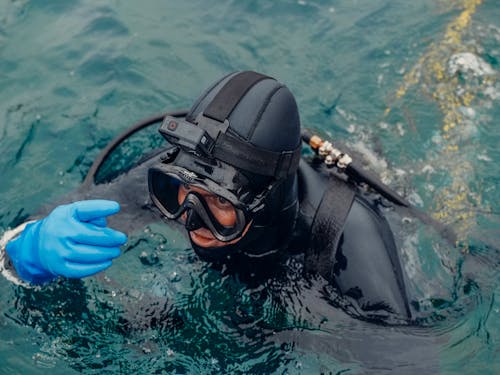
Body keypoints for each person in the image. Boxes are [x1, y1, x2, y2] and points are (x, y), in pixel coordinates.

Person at [0, 71, 447, 323]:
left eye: (217, 205)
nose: (191, 220)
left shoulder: (349, 235)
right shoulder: (180, 171)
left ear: (264, 201)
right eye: (178, 195)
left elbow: (403, 357)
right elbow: (43, 229)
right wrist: (28, 251)